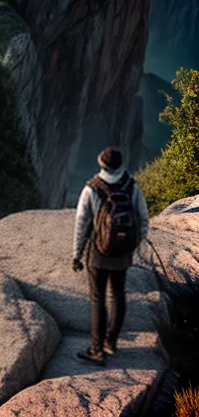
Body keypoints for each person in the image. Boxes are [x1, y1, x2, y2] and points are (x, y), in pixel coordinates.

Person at [71, 147, 150, 366]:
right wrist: (135, 243)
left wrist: (76, 254)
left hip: (98, 251)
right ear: (120, 164)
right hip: (123, 251)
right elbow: (143, 217)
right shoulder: (132, 186)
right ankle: (110, 342)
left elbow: (81, 224)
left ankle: (96, 350)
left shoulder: (91, 188)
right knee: (118, 294)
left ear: (101, 164)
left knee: (98, 298)